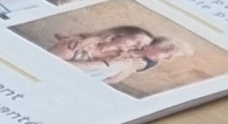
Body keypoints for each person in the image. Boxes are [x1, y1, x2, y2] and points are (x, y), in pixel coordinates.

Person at [46, 23, 186, 85]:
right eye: (136, 41)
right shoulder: (80, 45)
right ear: (120, 35)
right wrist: (106, 64)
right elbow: (50, 67)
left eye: (142, 46)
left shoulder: (130, 61)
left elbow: (110, 80)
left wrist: (119, 66)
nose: (138, 47)